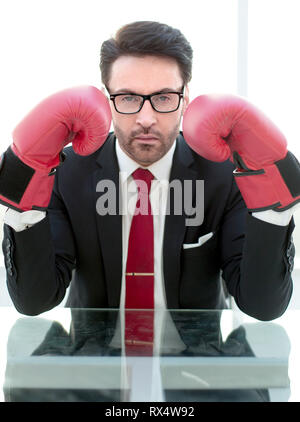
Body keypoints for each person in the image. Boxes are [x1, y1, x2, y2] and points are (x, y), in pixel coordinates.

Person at [0, 21, 298, 320]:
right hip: (94, 358)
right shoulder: (65, 173)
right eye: (128, 97)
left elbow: (263, 306)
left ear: (186, 99)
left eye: (164, 97)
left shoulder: (224, 176)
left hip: (197, 361)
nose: (146, 118)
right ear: (106, 101)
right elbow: (35, 301)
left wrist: (273, 203)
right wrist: (22, 186)